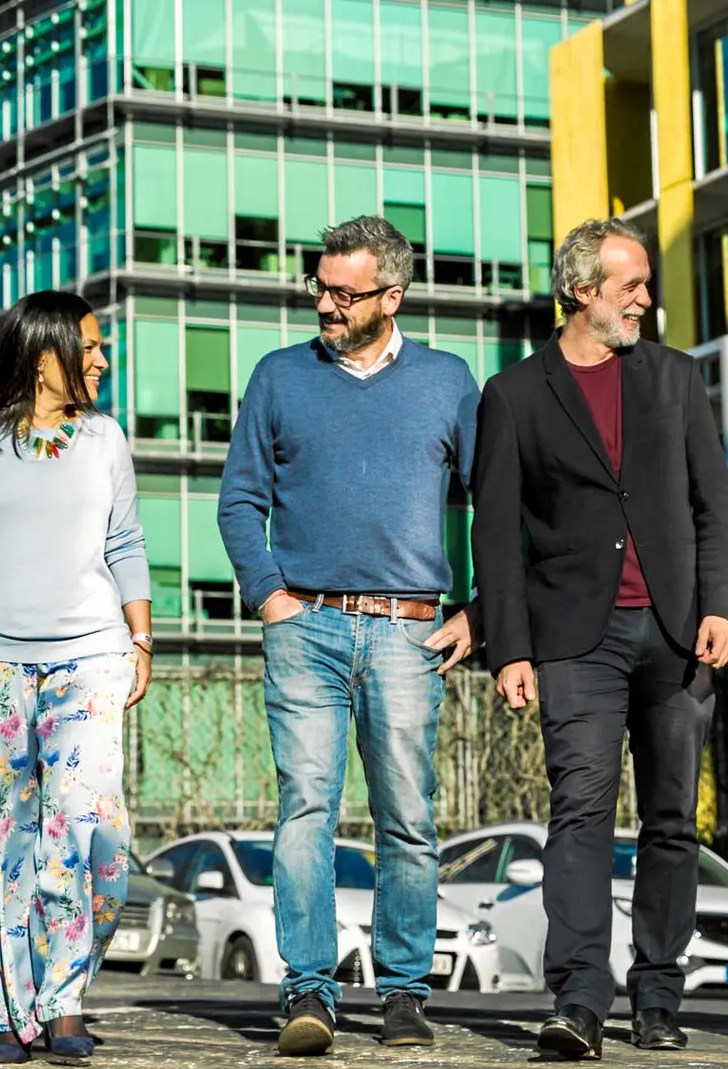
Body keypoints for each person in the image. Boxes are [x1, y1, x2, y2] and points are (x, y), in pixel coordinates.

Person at [471, 217, 728, 1059]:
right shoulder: (514, 394)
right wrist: (509, 646)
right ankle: (579, 997)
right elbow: (496, 531)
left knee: (671, 820)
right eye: (631, 287)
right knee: (580, 812)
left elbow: (714, 504)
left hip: (677, 631)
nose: (647, 300)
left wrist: (723, 606)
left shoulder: (673, 377)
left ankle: (659, 995)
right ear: (583, 291)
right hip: (573, 640)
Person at [217, 216, 479, 1056]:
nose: (325, 303)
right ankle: (309, 989)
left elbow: (493, 502)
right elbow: (238, 499)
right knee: (305, 810)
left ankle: (404, 992)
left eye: (344, 292)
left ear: (391, 296)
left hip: (409, 632)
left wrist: (480, 609)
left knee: (407, 816)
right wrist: (269, 596)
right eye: (319, 286)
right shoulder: (280, 376)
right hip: (306, 626)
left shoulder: (447, 381)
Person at [0, 291, 153, 1064]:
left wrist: (142, 638)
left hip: (89, 654)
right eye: (91, 345)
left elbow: (125, 541)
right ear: (44, 350)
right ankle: (4, 1008)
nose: (103, 359)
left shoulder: (105, 438)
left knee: (91, 830)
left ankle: (66, 993)